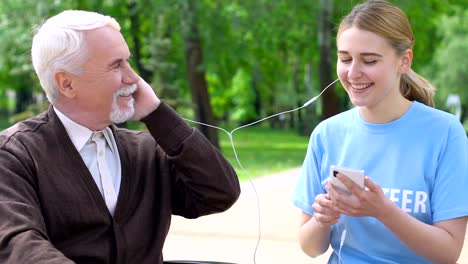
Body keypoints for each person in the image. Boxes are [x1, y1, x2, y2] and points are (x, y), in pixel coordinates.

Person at [0, 10, 241, 264]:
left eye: (128, 61)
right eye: (116, 65)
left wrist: (157, 114)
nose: (133, 77)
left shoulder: (145, 150)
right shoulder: (13, 155)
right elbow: (18, 246)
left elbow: (220, 193)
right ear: (67, 84)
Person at [290, 0, 468, 263]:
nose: (353, 73)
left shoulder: (444, 133)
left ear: (404, 61)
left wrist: (382, 210)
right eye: (345, 59)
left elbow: (448, 253)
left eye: (369, 60)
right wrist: (322, 220)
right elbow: (311, 247)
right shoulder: (327, 134)